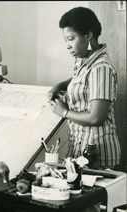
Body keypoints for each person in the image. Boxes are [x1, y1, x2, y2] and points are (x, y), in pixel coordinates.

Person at [47, 7, 121, 169]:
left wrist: (64, 112)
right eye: (66, 40)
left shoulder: (101, 68)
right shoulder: (84, 61)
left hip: (98, 154)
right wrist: (60, 85)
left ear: (88, 35)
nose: (67, 45)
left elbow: (96, 118)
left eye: (71, 39)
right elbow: (80, 80)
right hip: (79, 148)